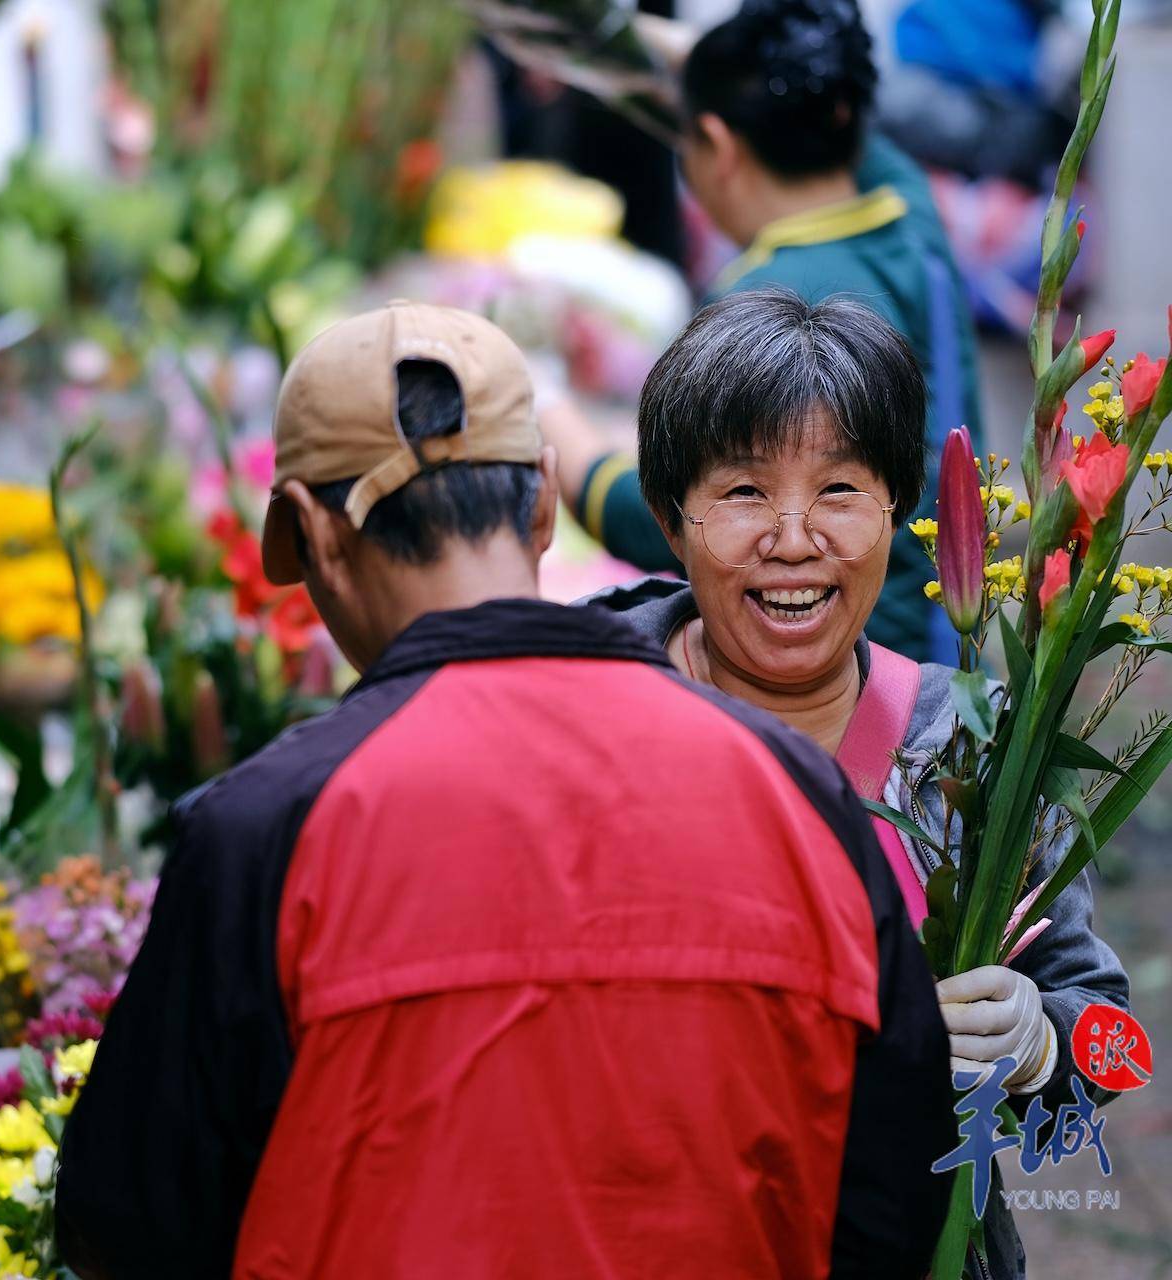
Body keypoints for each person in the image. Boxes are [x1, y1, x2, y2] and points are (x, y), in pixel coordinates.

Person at [55, 301, 954, 1279]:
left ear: (314, 534)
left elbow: (133, 1231)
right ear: (541, 505)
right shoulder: (798, 791)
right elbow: (899, 1194)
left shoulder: (262, 827)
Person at [584, 287, 1131, 1280]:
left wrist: (1043, 1041)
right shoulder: (592, 722)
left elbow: (1115, 1048)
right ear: (670, 517)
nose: (794, 539)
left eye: (839, 490)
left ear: (897, 510)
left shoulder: (970, 742)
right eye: (744, 492)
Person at [542, 0, 981, 665]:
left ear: (716, 146)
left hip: (861, 672)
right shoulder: (905, 210)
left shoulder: (760, 305)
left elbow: (669, 518)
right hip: (954, 640)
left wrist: (548, 414)